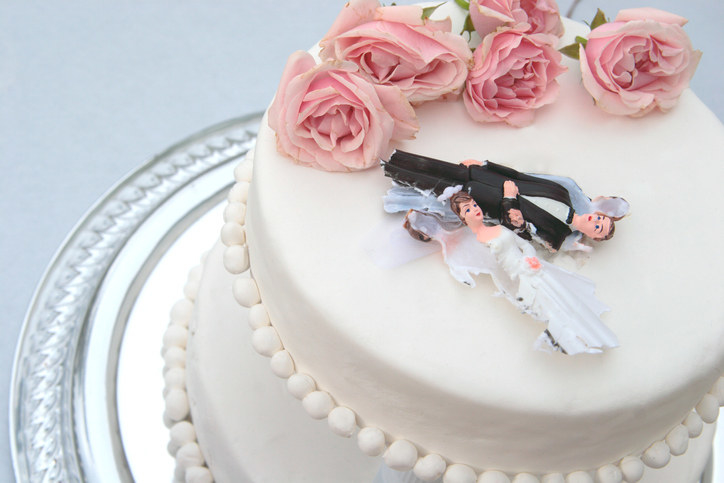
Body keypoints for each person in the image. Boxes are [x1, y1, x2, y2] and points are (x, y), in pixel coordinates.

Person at [403, 191, 619, 355]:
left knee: (562, 301)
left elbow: (523, 245)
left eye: (474, 205)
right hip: (518, 279)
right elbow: (492, 267)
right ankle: (571, 342)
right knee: (547, 311)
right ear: (462, 217)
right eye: (468, 210)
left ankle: (590, 335)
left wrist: (530, 257)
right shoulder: (470, 239)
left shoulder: (497, 228)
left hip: (532, 269)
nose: (475, 210)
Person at [383, 150, 627, 252]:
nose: (596, 220)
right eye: (600, 219)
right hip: (487, 178)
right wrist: (487, 166)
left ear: (592, 238)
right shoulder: (563, 194)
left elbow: (522, 235)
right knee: (441, 169)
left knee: (439, 190)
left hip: (488, 203)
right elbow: (523, 176)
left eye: (598, 228)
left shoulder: (557, 235)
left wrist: (513, 211)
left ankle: (397, 182)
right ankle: (395, 163)